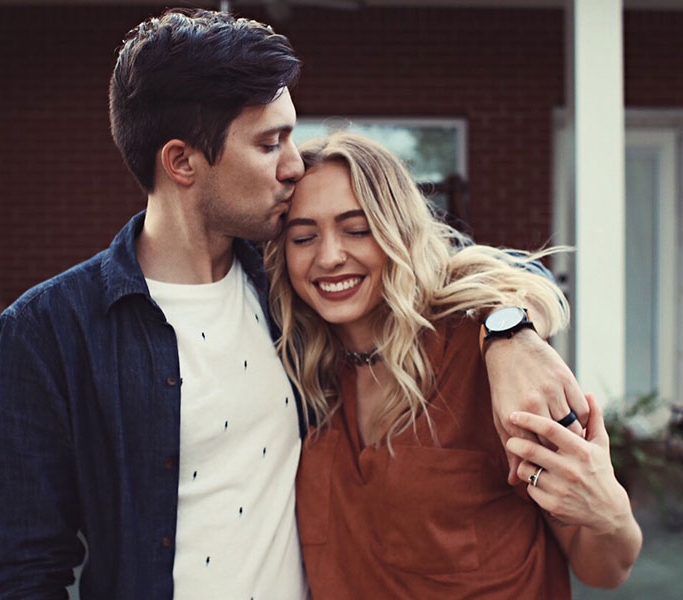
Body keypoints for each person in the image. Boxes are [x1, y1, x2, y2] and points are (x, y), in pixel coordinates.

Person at [0, 8, 591, 599]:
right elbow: (25, 573)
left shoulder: (289, 294)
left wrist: (511, 331)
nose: (295, 165)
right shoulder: (48, 332)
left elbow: (438, 263)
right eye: (270, 144)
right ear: (182, 162)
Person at [265, 132, 642, 599]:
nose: (328, 256)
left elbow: (603, 566)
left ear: (398, 233)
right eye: (303, 237)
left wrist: (610, 514)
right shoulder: (294, 370)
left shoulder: (483, 358)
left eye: (357, 229)